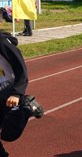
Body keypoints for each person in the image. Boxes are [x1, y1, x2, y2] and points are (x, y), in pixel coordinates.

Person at [0, 9, 44, 157]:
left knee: (9, 133)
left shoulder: (2, 43)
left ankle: (25, 107)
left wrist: (17, 93)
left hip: (6, 94)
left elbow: (21, 68)